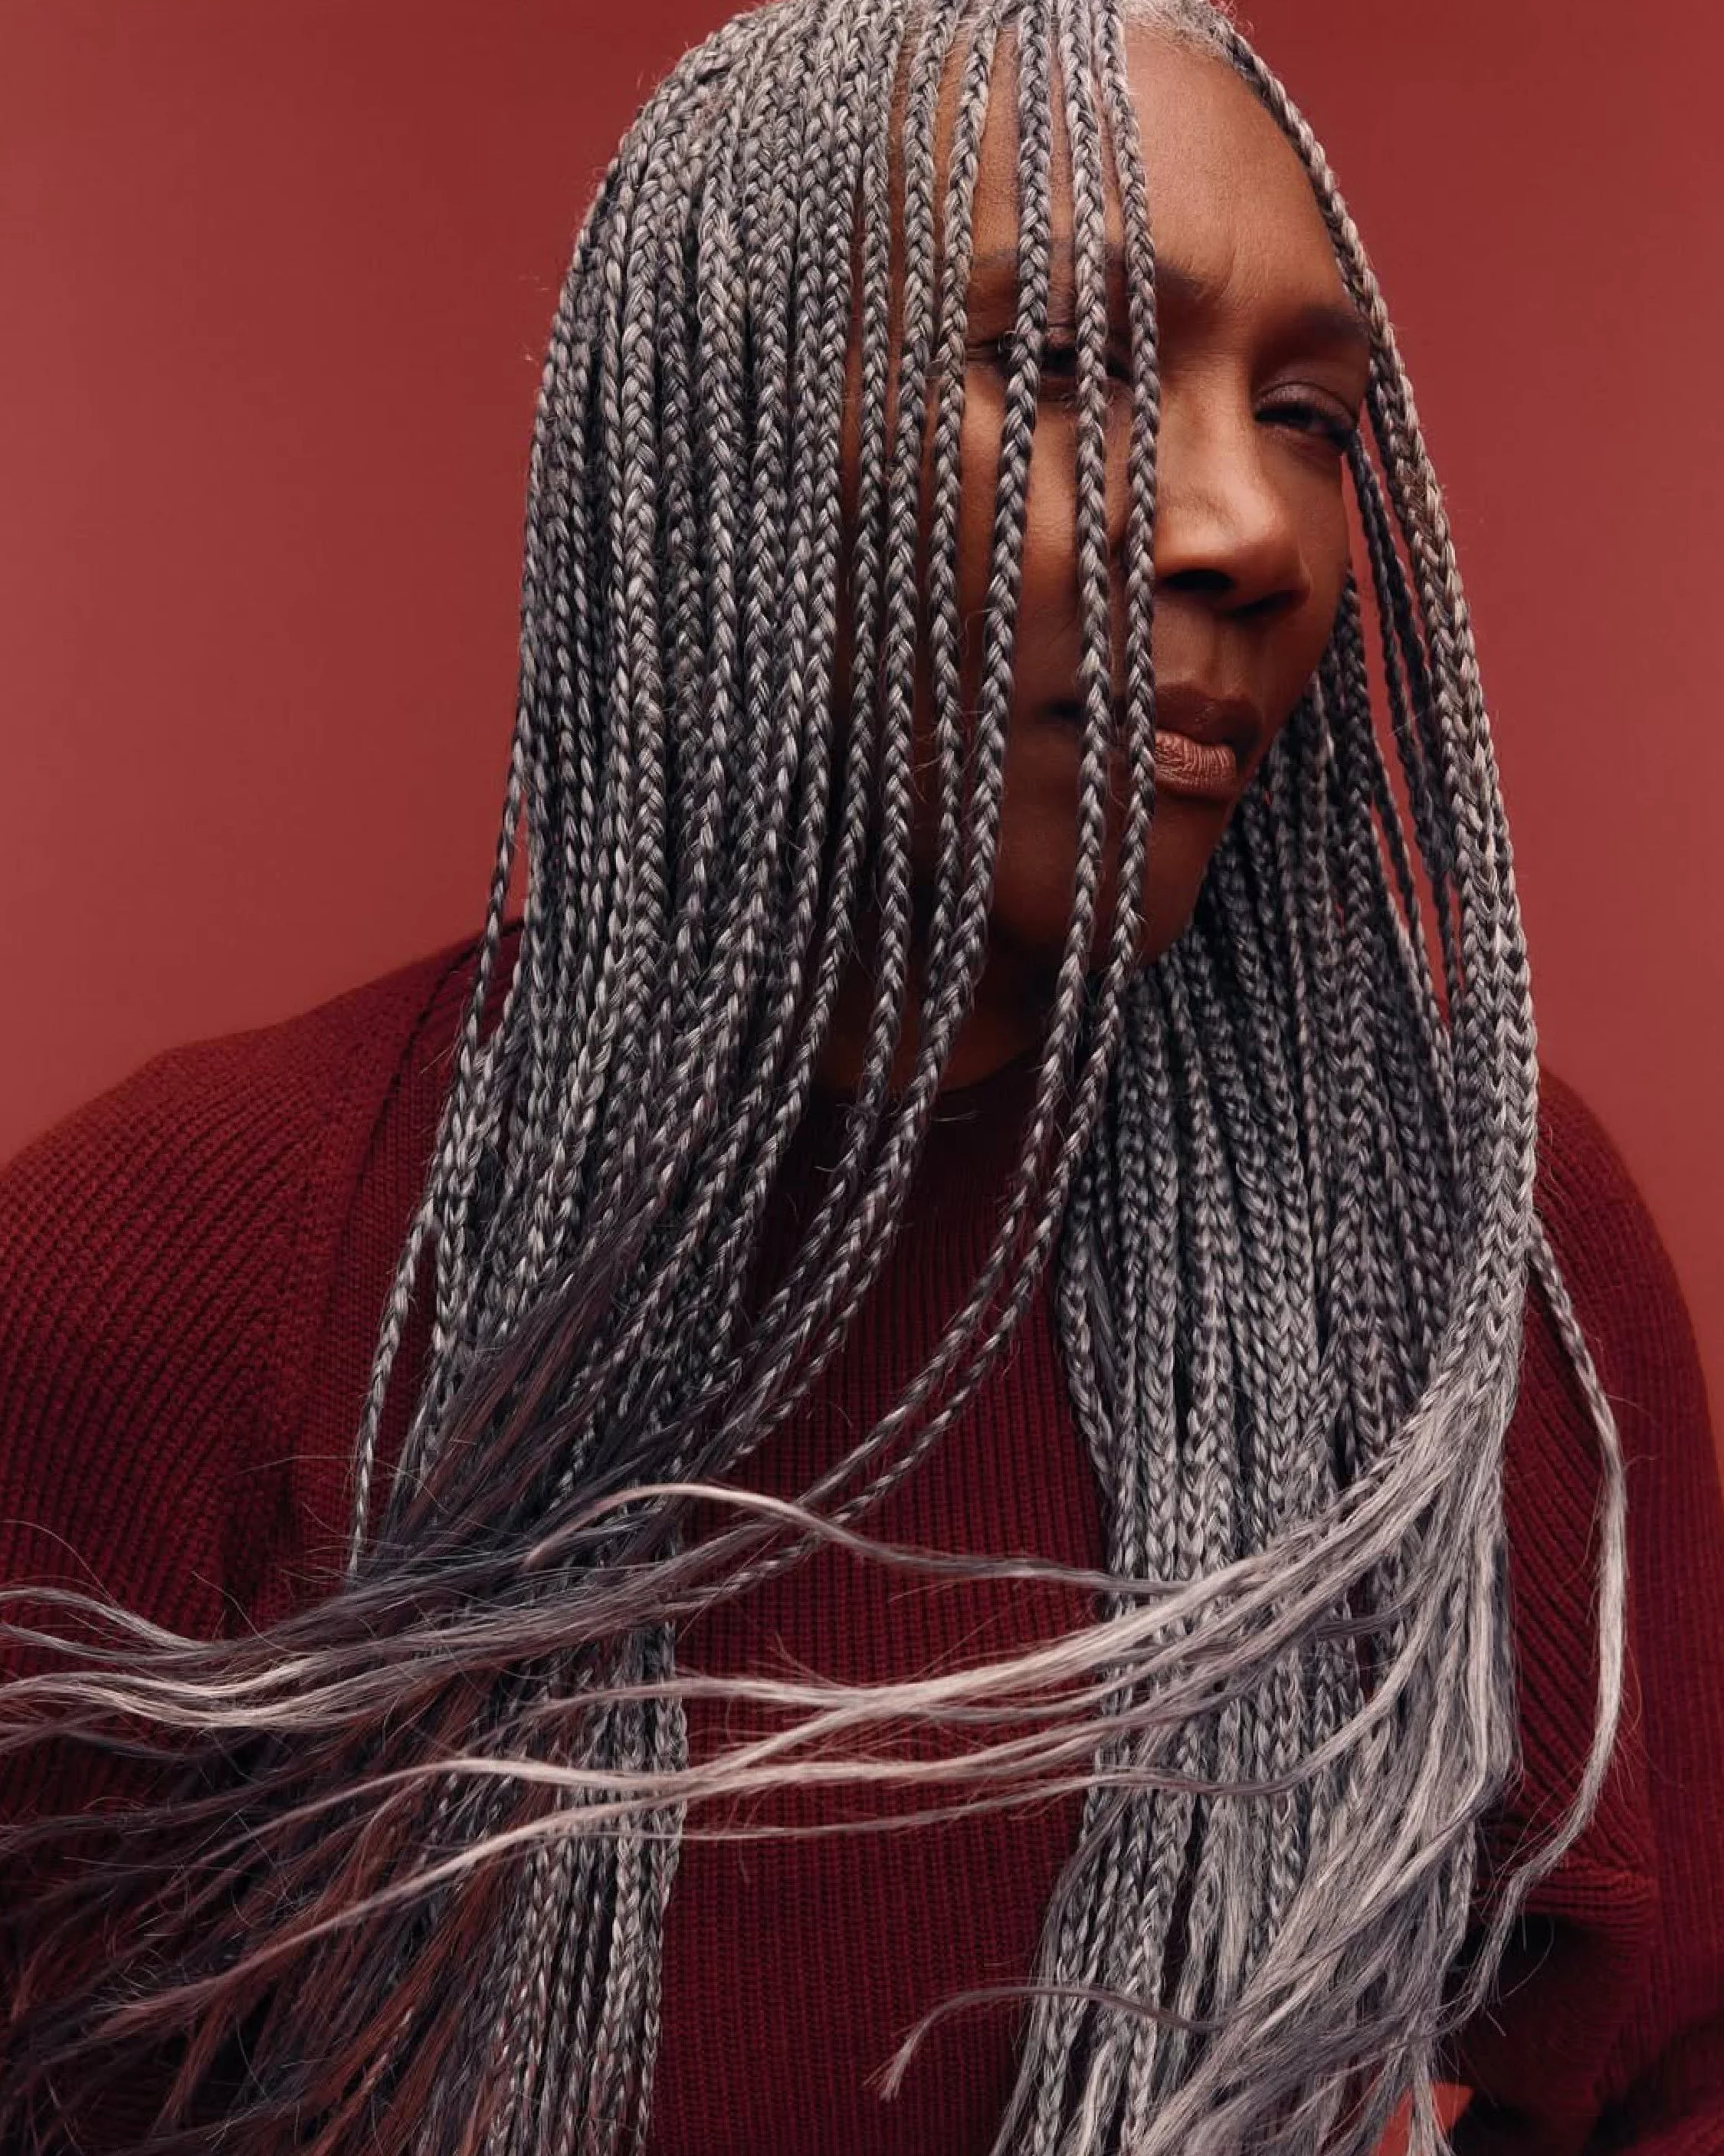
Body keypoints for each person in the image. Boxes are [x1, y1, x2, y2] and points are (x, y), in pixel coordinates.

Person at [1, 0, 1719, 2150]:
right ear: (721, 443)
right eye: (1073, 368)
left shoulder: (1472, 1255)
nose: (1248, 528)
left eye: (1305, 417)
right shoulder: (175, 1282)